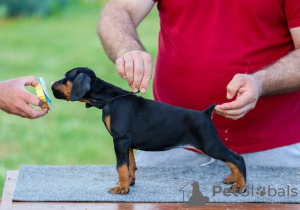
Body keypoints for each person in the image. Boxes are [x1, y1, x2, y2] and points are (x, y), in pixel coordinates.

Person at [97, 0, 300, 167]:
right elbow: (119, 9)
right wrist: (127, 48)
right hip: (168, 139)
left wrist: (260, 82)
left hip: (274, 147)